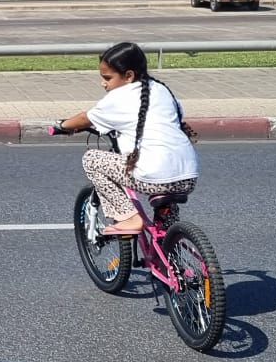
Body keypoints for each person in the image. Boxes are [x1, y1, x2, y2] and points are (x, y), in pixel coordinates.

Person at [58, 41, 199, 235]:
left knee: (92, 160)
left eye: (107, 78)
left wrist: (61, 126)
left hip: (154, 176)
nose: (103, 83)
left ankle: (129, 217)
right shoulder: (162, 89)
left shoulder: (119, 97)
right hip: (188, 176)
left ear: (128, 76)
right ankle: (170, 251)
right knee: (165, 209)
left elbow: (84, 119)